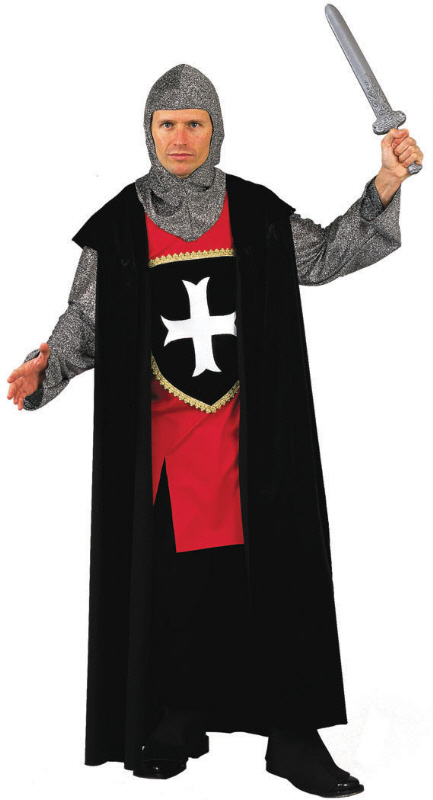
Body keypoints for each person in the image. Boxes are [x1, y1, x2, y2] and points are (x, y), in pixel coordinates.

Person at [6, 64, 423, 797]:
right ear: (148, 131)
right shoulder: (121, 224)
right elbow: (88, 318)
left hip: (255, 439)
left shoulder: (254, 212)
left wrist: (386, 181)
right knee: (181, 589)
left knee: (277, 582)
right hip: (166, 447)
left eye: (193, 122)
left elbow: (326, 256)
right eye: (166, 123)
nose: (180, 136)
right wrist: (49, 366)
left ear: (215, 130)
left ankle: (292, 738)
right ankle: (179, 717)